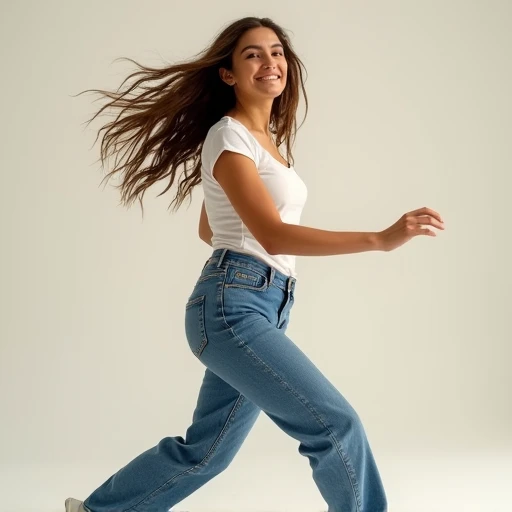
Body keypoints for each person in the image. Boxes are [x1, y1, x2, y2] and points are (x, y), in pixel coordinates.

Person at [67, 16, 445, 512]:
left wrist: (248, 255)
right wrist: (379, 238)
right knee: (335, 427)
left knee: (206, 453)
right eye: (253, 54)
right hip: (233, 307)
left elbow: (212, 228)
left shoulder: (263, 143)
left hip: (260, 305)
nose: (270, 62)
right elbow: (268, 233)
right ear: (228, 74)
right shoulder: (229, 137)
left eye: (277, 52)